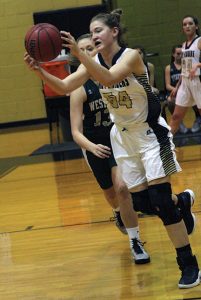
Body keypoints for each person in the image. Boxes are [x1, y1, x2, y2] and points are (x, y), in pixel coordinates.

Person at [24, 10, 199, 288]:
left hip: (151, 133)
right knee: (141, 203)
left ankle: (188, 264)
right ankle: (184, 202)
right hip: (123, 138)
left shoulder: (131, 55)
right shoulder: (91, 61)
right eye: (91, 32)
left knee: (162, 202)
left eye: (98, 31)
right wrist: (40, 70)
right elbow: (66, 86)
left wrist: (79, 55)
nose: (94, 36)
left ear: (114, 32)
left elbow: (107, 78)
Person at [69, 33, 150, 264]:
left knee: (123, 188)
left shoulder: (114, 75)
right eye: (82, 49)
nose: (87, 52)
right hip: (94, 145)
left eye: (90, 47)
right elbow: (75, 132)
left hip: (119, 139)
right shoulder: (79, 87)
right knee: (111, 194)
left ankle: (135, 241)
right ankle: (117, 213)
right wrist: (92, 147)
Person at [170, 15, 201, 135]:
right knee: (176, 117)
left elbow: (195, 64)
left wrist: (198, 65)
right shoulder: (183, 45)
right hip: (185, 83)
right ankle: (166, 147)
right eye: (184, 24)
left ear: (196, 26)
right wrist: (177, 86)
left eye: (190, 23)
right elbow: (184, 69)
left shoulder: (199, 41)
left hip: (198, 81)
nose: (187, 26)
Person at [165, 44, 201, 133]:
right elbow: (168, 85)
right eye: (178, 53)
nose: (180, 55)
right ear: (173, 54)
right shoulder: (169, 67)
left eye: (182, 53)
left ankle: (198, 119)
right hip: (179, 91)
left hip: (192, 88)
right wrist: (176, 88)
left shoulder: (188, 62)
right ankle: (179, 123)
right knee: (171, 102)